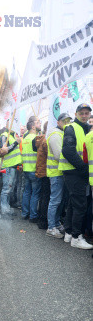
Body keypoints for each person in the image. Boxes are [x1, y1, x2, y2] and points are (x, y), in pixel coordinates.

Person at [58, 103, 93, 250]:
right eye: (82, 113)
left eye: (87, 113)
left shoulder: (85, 129)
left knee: (73, 203)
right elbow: (67, 150)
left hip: (75, 171)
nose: (84, 116)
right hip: (74, 171)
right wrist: (83, 168)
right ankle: (76, 237)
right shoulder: (72, 128)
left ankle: (69, 232)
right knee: (80, 205)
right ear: (76, 113)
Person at [45, 113, 69, 238]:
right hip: (56, 173)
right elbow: (58, 155)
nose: (66, 123)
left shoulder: (60, 133)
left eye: (68, 121)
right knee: (55, 200)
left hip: (60, 172)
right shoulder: (55, 135)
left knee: (59, 200)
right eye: (64, 121)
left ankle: (56, 223)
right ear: (58, 122)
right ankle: (51, 227)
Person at [21, 116, 42, 222]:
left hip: (26, 169)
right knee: (35, 193)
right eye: (38, 122)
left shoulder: (25, 139)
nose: (40, 124)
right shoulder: (36, 139)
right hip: (34, 170)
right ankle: (33, 216)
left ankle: (25, 213)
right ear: (33, 126)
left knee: (27, 192)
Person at [0, 125, 22, 218]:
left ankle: (6, 208)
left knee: (9, 189)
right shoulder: (5, 136)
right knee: (6, 189)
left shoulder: (11, 136)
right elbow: (3, 150)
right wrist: (16, 142)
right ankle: (4, 210)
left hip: (12, 166)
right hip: (7, 167)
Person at [34, 121, 50, 229]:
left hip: (42, 170)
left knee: (43, 196)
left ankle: (41, 218)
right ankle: (43, 220)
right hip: (46, 171)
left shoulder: (41, 139)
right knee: (46, 197)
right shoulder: (45, 141)